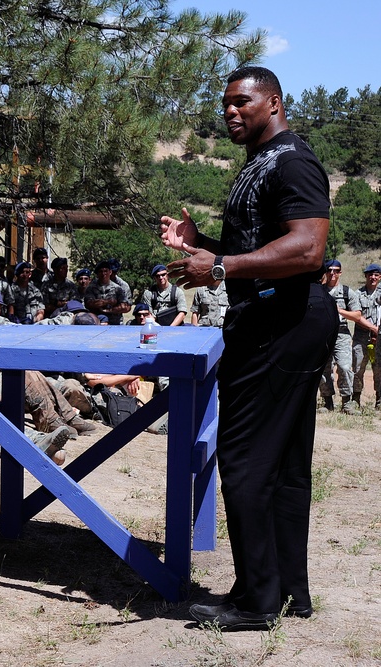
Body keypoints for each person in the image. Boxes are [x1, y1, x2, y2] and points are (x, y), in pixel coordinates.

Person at [161, 66, 338, 631]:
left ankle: (256, 602)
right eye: (226, 105)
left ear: (275, 103)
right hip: (275, 317)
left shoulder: (292, 160)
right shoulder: (260, 163)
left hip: (281, 322)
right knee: (284, 467)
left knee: (242, 463)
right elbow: (261, 249)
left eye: (242, 101)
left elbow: (309, 249)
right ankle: (286, 592)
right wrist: (205, 246)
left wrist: (220, 265)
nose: (231, 112)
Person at [317, 259, 362, 414]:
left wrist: (339, 310)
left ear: (340, 273)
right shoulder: (319, 291)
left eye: (336, 270)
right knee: (324, 368)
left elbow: (357, 315)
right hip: (322, 334)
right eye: (329, 270)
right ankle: (327, 401)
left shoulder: (347, 292)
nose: (332, 273)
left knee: (344, 367)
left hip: (341, 333)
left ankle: (347, 402)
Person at [352, 263, 381, 409]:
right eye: (370, 275)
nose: (373, 277)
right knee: (357, 368)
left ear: (380, 277)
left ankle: (379, 400)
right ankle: (355, 398)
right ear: (366, 276)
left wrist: (378, 331)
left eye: (376, 275)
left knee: (379, 369)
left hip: (379, 337)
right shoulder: (357, 294)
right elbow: (357, 316)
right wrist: (372, 328)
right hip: (361, 336)